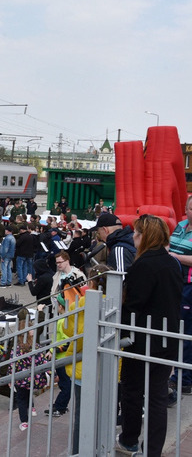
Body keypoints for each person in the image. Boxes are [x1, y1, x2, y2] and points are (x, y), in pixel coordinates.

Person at [118, 214, 182, 455]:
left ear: (145, 236)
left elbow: (134, 305)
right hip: (167, 338)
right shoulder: (171, 262)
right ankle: (153, 449)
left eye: (136, 232)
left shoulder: (143, 265)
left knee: (132, 390)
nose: (133, 237)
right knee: (157, 398)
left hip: (142, 340)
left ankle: (130, 438)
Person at [8, 308, 49, 432]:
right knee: (29, 392)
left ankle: (24, 422)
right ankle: (32, 408)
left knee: (21, 399)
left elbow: (11, 365)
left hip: (20, 379)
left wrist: (10, 377)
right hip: (34, 378)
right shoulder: (35, 347)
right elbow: (42, 361)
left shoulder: (16, 349)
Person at [168, 195, 192, 396]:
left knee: (186, 332)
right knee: (177, 329)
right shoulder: (181, 225)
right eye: (191, 208)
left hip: (189, 283)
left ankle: (183, 379)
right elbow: (170, 246)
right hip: (174, 281)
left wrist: (175, 257)